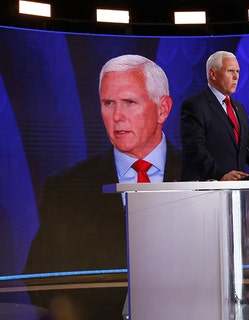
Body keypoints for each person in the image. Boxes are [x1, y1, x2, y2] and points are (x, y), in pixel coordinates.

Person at [23, 54, 182, 320]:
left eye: (129, 102)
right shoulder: (67, 188)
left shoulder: (206, 175)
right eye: (108, 103)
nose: (117, 116)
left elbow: (248, 266)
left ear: (163, 109)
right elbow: (40, 279)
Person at [180, 50, 249, 181]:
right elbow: (195, 149)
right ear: (213, 74)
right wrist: (220, 175)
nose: (236, 77)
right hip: (206, 191)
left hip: (236, 191)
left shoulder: (239, 108)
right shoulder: (195, 105)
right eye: (230, 71)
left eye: (237, 71)